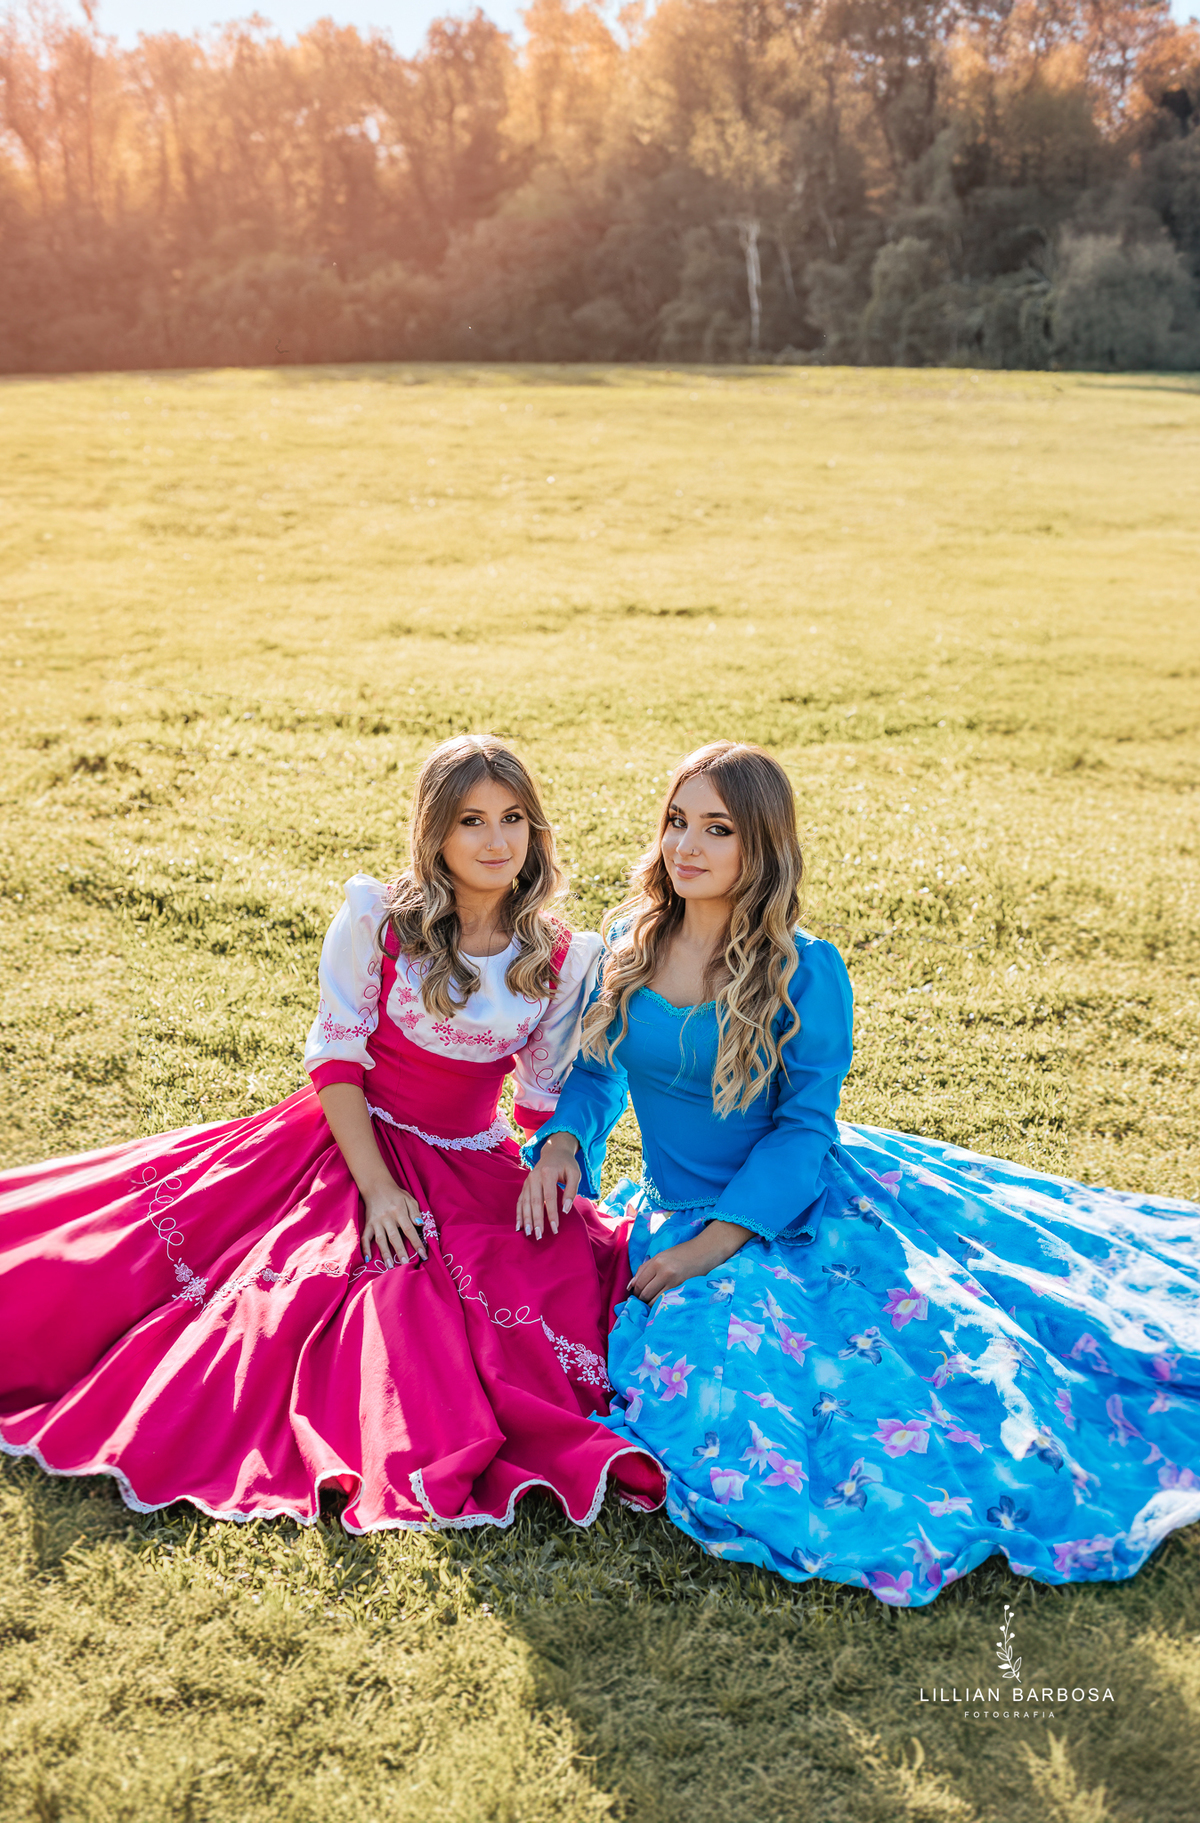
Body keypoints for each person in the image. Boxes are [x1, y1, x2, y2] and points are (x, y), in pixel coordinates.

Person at [520, 740, 1200, 1604]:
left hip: (788, 1207)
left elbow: (802, 1133)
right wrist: (565, 1144)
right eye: (676, 822)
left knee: (762, 1398)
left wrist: (712, 1248)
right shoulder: (630, 941)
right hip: (670, 1205)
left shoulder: (805, 970)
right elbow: (596, 1073)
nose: (686, 846)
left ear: (759, 846)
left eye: (716, 829)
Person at [0, 735, 664, 1533]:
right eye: (471, 821)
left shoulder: (557, 953)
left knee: (546, 1281)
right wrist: (379, 1187)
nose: (496, 841)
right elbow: (338, 1063)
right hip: (349, 1140)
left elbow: (540, 1102)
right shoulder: (380, 921)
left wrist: (554, 1154)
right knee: (296, 1292)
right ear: (436, 835)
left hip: (466, 1157)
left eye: (514, 818)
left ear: (536, 830)